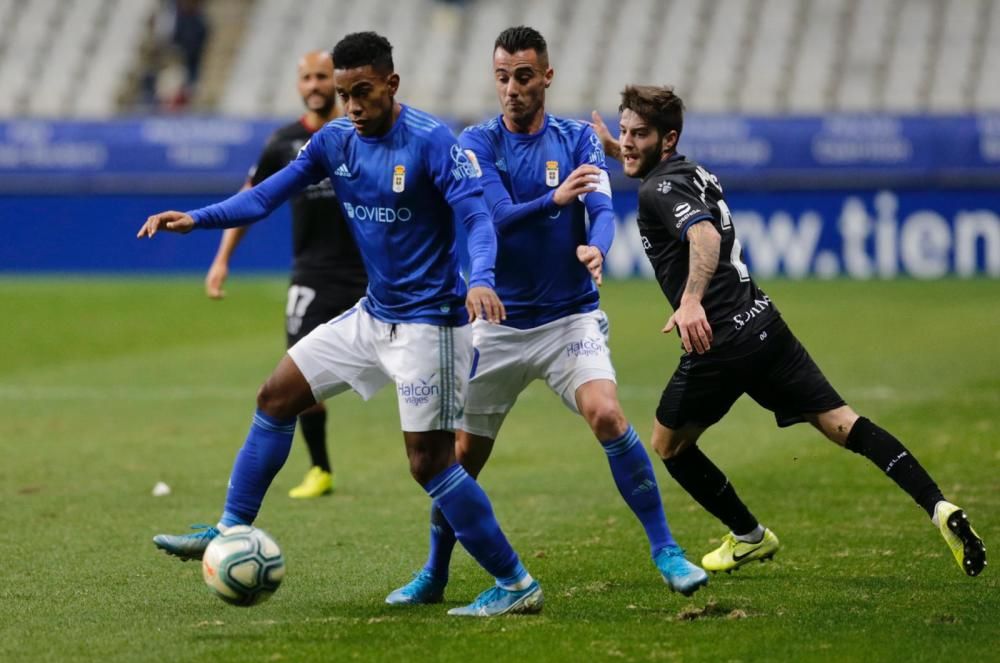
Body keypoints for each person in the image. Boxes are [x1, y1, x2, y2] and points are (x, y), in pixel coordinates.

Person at [138, 32, 544, 617]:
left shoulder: (433, 142)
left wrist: (481, 277)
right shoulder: (332, 141)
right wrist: (195, 220)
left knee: (429, 464)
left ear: (391, 84)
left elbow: (478, 218)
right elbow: (262, 198)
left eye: (363, 92)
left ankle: (515, 583)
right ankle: (229, 527)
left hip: (431, 324)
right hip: (372, 314)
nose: (352, 105)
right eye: (342, 92)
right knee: (276, 395)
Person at [588, 85, 986, 577]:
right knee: (844, 423)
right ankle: (938, 506)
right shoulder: (689, 170)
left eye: (638, 135)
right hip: (764, 323)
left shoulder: (656, 190)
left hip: (719, 341)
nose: (627, 142)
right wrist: (614, 145)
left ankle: (749, 536)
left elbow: (704, 234)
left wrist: (691, 300)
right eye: (623, 132)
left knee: (668, 444)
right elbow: (664, 178)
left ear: (666, 140)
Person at [385, 26, 707, 607]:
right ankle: (434, 573)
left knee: (608, 415)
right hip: (495, 324)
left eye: (524, 76)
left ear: (547, 77)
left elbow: (602, 208)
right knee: (459, 460)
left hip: (568, 320)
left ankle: (667, 550)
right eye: (503, 77)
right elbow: (495, 219)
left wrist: (596, 247)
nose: (512, 88)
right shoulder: (475, 143)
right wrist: (553, 203)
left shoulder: (579, 138)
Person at [205, 50, 367, 499]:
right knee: (298, 377)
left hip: (370, 276)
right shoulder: (283, 143)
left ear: (336, 82)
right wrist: (222, 260)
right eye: (307, 78)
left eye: (322, 77)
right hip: (311, 276)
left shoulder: (361, 133)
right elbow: (250, 198)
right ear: (299, 85)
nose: (314, 85)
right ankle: (321, 469)